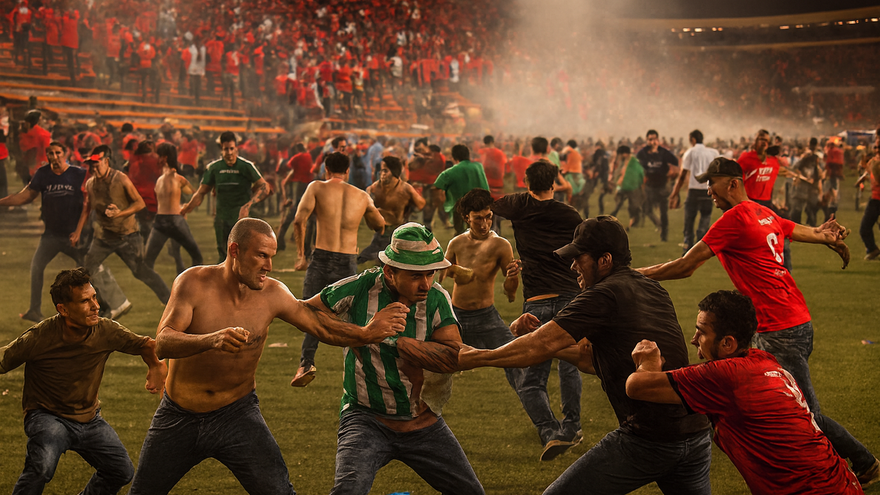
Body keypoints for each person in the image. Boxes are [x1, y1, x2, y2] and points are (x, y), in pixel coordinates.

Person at [637, 157, 880, 488]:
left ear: (733, 183)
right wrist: (828, 238)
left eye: (712, 183)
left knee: (802, 412)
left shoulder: (734, 218)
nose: (707, 190)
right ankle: (725, 433)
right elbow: (802, 230)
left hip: (778, 326)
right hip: (794, 320)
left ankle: (864, 464)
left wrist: (632, 276)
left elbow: (685, 266)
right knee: (750, 388)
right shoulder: (764, 212)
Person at [127, 218, 407, 494]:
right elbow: (163, 341)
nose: (269, 266)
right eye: (261, 255)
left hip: (237, 414)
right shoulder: (193, 283)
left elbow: (319, 325)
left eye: (271, 257)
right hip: (178, 416)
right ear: (234, 251)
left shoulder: (273, 293)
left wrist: (366, 334)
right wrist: (210, 339)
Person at [459, 216, 712, 492]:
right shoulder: (653, 289)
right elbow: (590, 360)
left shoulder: (603, 294)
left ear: (604, 260)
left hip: (650, 437)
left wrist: (473, 356)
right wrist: (544, 341)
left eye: (579, 258)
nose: (573, 266)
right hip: (695, 434)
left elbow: (538, 347)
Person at [626, 290, 864, 495]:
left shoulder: (726, 377)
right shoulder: (765, 361)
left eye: (702, 332)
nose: (694, 339)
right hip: (844, 483)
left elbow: (636, 386)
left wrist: (648, 359)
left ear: (728, 343)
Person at [317, 223, 484, 495]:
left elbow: (453, 357)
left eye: (430, 274)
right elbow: (307, 314)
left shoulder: (437, 299)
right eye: (416, 275)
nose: (426, 284)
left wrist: (402, 343)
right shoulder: (360, 288)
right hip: (365, 419)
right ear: (390, 272)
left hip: (424, 423)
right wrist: (363, 332)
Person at [0, 268, 166, 494]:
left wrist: (155, 366)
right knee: (41, 468)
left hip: (89, 419)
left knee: (121, 471)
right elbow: (3, 359)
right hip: (47, 416)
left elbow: (146, 345)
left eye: (94, 297)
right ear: (63, 309)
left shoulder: (106, 330)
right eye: (85, 301)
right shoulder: (41, 336)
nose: (96, 306)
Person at [490, 160, 584, 461]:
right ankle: (571, 426)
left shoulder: (519, 205)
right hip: (571, 296)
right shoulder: (569, 214)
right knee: (570, 365)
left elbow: (491, 204)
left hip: (537, 300)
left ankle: (548, 430)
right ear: (555, 183)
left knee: (531, 378)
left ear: (525, 183)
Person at [0, 141, 125, 322]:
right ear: (47, 156)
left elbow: (92, 197)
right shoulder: (43, 175)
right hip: (51, 235)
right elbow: (26, 195)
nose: (55, 156)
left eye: (58, 152)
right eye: (51, 153)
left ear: (65, 154)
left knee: (88, 270)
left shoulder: (78, 174)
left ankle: (105, 307)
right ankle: (34, 310)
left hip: (74, 236)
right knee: (36, 267)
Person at [290, 151, 385, 386]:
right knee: (354, 317)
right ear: (348, 171)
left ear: (326, 170)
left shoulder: (316, 187)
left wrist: (301, 256)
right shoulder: (361, 196)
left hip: (321, 257)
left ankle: (306, 363)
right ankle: (365, 368)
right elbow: (379, 225)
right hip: (347, 260)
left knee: (310, 312)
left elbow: (299, 220)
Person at [72, 145, 172, 309]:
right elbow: (86, 209)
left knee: (141, 271)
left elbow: (140, 203)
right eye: (91, 164)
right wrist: (77, 233)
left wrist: (120, 214)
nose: (93, 168)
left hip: (127, 236)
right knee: (87, 271)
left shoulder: (121, 179)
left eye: (96, 164)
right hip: (104, 237)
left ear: (106, 162)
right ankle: (108, 307)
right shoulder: (91, 184)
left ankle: (169, 300)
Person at [440, 188, 521, 390]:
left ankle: (540, 414)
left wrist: (513, 277)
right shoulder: (456, 243)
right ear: (466, 218)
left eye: (488, 217)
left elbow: (510, 294)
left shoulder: (501, 245)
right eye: (478, 219)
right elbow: (440, 275)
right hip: (456, 316)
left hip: (486, 317)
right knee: (432, 363)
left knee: (516, 361)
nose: (484, 224)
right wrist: (455, 270)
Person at [180, 131, 270, 262]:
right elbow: (201, 193)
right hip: (221, 220)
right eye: (225, 149)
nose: (229, 152)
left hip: (240, 220)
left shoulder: (246, 166)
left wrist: (248, 205)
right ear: (221, 149)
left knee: (242, 256)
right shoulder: (214, 168)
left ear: (236, 148)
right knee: (223, 257)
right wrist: (186, 208)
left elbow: (264, 187)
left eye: (231, 148)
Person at [144, 142, 203, 274]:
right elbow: (196, 195)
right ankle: (184, 282)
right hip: (171, 221)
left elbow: (195, 195)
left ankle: (185, 282)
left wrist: (186, 207)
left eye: (157, 155)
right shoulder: (168, 178)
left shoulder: (173, 177)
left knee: (148, 262)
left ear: (164, 158)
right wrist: (186, 207)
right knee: (196, 257)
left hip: (164, 221)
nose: (154, 158)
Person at [357, 156, 425, 264]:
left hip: (396, 230)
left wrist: (411, 200)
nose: (381, 173)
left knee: (386, 259)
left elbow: (421, 205)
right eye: (381, 170)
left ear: (394, 172)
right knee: (369, 254)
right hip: (381, 231)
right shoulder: (375, 187)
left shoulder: (405, 189)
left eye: (385, 170)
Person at [668, 130, 718, 255]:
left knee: (689, 221)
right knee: (704, 220)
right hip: (708, 190)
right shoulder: (713, 152)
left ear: (693, 140)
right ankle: (700, 248)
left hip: (694, 191)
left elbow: (682, 176)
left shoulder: (689, 153)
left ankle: (687, 248)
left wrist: (674, 194)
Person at [432, 144, 490, 235]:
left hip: (460, 208)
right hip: (481, 206)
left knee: (461, 232)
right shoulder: (479, 167)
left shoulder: (450, 172)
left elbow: (436, 186)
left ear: (454, 157)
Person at [637, 130, 679, 242]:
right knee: (646, 209)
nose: (653, 142)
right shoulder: (642, 153)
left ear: (658, 140)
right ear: (647, 141)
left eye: (654, 139)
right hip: (649, 186)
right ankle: (658, 224)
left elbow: (676, 162)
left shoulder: (664, 153)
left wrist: (673, 173)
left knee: (663, 211)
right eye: (650, 139)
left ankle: (664, 234)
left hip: (662, 186)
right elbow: (638, 166)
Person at [277, 143, 313, 251]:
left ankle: (281, 240)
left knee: (292, 215)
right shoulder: (308, 156)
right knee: (309, 217)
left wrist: (285, 198)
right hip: (305, 187)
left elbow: (288, 168)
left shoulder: (296, 160)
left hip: (298, 186)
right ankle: (305, 245)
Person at [610, 145, 645, 231]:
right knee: (621, 204)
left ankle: (634, 222)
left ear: (624, 154)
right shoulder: (626, 161)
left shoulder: (633, 162)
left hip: (632, 187)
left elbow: (637, 174)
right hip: (625, 186)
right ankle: (613, 217)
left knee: (633, 206)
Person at [858, 131, 880, 260]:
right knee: (865, 228)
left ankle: (872, 249)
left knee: (865, 227)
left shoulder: (875, 162)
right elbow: (867, 172)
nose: (876, 149)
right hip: (875, 198)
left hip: (877, 200)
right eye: (876, 146)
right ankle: (872, 249)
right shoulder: (873, 161)